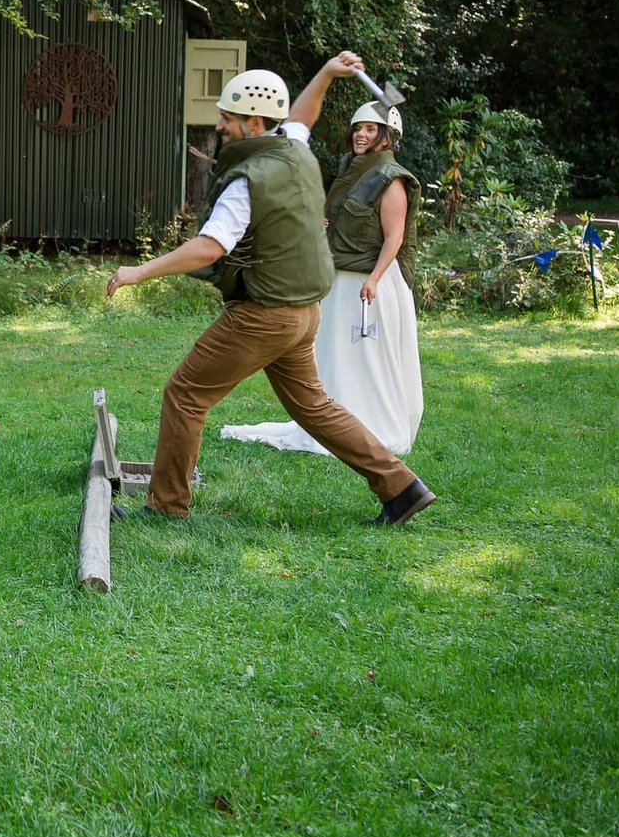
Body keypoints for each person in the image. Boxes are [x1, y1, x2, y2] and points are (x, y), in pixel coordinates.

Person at [104, 54, 436, 525]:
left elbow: (209, 248)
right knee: (314, 407)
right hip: (303, 313)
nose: (219, 125)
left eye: (227, 117)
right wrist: (325, 73)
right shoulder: (293, 148)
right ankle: (402, 487)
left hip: (263, 316)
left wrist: (140, 272)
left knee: (185, 393)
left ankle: (166, 506)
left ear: (254, 121)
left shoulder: (248, 180)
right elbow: (303, 116)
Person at [222, 61, 423, 455]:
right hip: (342, 278)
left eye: (370, 129)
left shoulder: (391, 177)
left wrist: (374, 280)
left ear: (388, 135)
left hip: (372, 284)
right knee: (333, 357)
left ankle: (369, 427)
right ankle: (336, 422)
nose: (361, 135)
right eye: (358, 128)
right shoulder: (353, 172)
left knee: (365, 359)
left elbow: (394, 237)